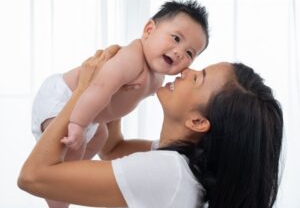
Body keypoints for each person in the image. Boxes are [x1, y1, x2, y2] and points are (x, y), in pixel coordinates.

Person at [19, 45, 283, 208]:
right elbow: (113, 148)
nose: (187, 71)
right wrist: (113, 84)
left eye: (198, 78)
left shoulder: (169, 174)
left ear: (199, 122)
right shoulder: (182, 166)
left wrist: (84, 89)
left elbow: (33, 177)